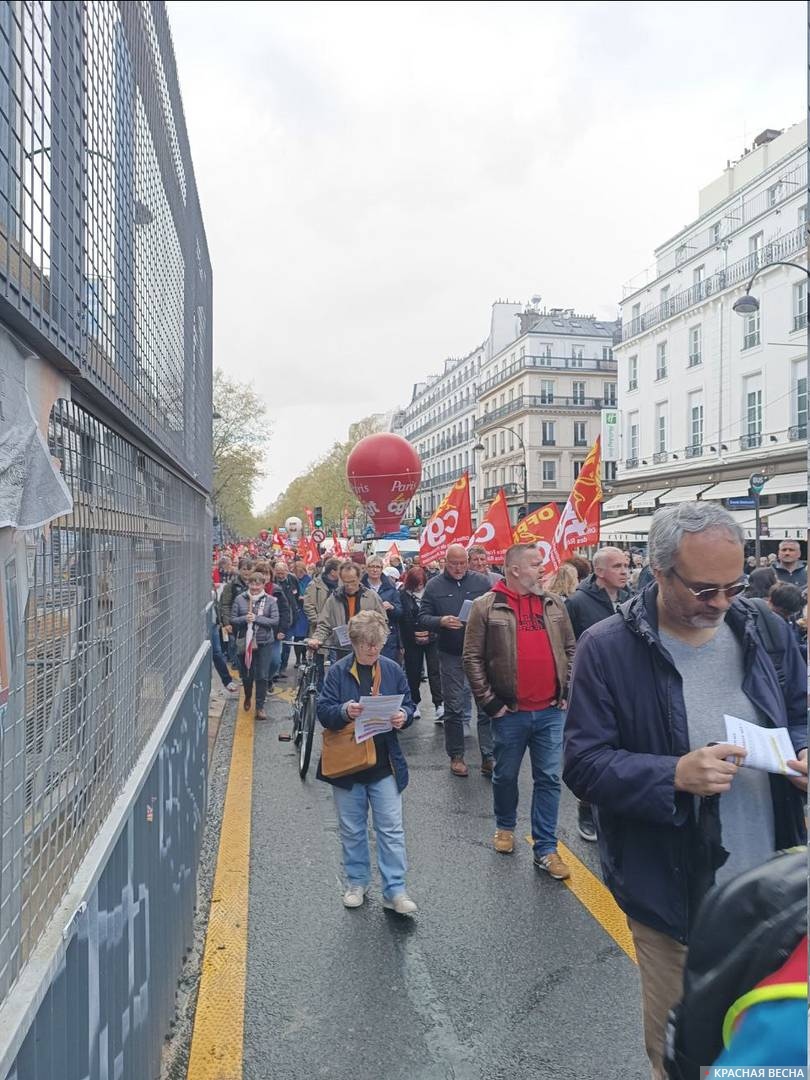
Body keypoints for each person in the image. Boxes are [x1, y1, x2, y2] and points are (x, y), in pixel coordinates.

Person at [563, 501, 807, 1080]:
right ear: (657, 571)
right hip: (671, 895)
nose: (722, 603)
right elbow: (584, 764)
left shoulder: (764, 628)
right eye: (704, 590)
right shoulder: (606, 648)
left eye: (735, 585)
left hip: (773, 891)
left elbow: (800, 711)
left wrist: (801, 750)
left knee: (767, 1057)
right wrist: (672, 775)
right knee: (686, 1059)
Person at [463, 544, 575, 878]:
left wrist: (566, 689)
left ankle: (546, 848)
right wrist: (490, 702)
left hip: (551, 711)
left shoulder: (554, 604)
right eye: (535, 564)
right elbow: (472, 658)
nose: (542, 569)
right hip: (509, 712)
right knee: (505, 775)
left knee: (549, 778)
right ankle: (505, 825)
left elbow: (571, 648)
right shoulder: (486, 607)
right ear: (514, 570)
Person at [316, 610, 417, 914]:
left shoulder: (392, 669)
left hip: (384, 762)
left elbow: (409, 703)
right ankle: (356, 882)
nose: (373, 650)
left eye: (378, 644)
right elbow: (324, 712)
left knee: (391, 828)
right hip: (348, 765)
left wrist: (405, 716)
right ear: (355, 643)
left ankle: (395, 890)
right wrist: (346, 710)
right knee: (352, 828)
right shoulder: (337, 671)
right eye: (366, 645)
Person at [564, 546, 632, 842]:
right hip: (592, 685)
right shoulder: (578, 602)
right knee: (594, 750)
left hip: (629, 683)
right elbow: (566, 644)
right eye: (617, 566)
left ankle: (620, 807)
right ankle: (586, 807)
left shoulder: (633, 598)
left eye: (626, 565)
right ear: (600, 571)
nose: (625, 571)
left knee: (626, 748)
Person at [419, 544, 492, 777]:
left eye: (463, 563)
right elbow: (422, 618)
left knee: (485, 705)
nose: (459, 568)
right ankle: (457, 755)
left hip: (481, 652)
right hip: (450, 652)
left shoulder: (482, 583)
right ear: (445, 562)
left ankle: (488, 756)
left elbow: (496, 610)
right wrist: (440, 621)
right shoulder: (434, 586)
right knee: (454, 705)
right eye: (454, 564)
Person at [231, 572, 280, 720]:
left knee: (262, 675)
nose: (254, 588)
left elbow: (274, 621)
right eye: (252, 584)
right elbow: (233, 619)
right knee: (247, 673)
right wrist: (244, 618)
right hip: (245, 641)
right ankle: (247, 695)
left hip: (264, 641)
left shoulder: (271, 601)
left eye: (258, 585)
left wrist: (257, 619)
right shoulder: (240, 599)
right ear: (248, 584)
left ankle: (260, 706)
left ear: (263, 585)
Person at [310, 561, 388, 655]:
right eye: (345, 582)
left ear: (359, 578)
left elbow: (383, 623)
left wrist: (378, 644)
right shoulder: (333, 599)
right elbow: (324, 624)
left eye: (352, 581)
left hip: (367, 649)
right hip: (341, 650)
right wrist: (317, 638)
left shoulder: (372, 597)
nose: (349, 586)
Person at [399, 565, 443, 721]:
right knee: (413, 672)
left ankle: (439, 704)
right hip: (411, 640)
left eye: (421, 583)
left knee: (434, 671)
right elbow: (402, 618)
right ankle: (414, 703)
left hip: (432, 637)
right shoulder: (403, 595)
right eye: (416, 584)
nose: (419, 587)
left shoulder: (430, 592)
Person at [362, 555, 403, 661]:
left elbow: (400, 612)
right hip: (365, 633)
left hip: (387, 635)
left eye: (378, 567)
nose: (374, 570)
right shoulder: (360, 587)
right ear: (367, 568)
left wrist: (391, 607)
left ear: (382, 569)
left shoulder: (390, 587)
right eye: (371, 566)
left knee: (386, 668)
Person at [219, 557, 254, 666]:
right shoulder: (232, 585)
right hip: (235, 622)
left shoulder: (256, 584)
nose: (246, 572)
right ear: (239, 570)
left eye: (249, 569)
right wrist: (227, 622)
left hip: (251, 622)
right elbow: (225, 605)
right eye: (244, 569)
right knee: (234, 646)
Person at [273, 560, 303, 675]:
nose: (280, 576)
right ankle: (275, 668)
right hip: (277, 617)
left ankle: (282, 668)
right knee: (276, 645)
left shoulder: (292, 579)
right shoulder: (273, 581)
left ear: (287, 571)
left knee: (287, 644)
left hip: (290, 617)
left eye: (282, 573)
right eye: (278, 573)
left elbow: (297, 595)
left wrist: (296, 609)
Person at [303, 557, 341, 634]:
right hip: (320, 628)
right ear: (333, 572)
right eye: (340, 570)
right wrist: (317, 621)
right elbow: (308, 605)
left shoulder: (342, 585)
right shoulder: (315, 585)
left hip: (338, 626)